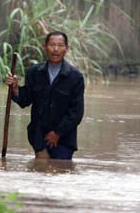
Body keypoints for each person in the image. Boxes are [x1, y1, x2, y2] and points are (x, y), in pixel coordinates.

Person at [6, 31, 84, 160]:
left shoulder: (75, 77)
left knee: (60, 173)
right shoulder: (35, 72)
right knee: (41, 169)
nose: (55, 49)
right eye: (52, 45)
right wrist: (14, 88)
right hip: (38, 134)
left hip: (64, 139)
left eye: (60, 45)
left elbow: (76, 112)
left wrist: (57, 133)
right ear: (45, 47)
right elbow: (25, 100)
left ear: (66, 48)